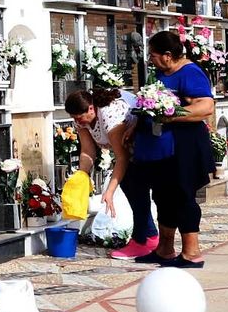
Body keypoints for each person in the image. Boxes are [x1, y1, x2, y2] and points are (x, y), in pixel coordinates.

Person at [144, 31, 216, 268]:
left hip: (186, 146)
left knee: (183, 196)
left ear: (167, 55)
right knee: (164, 196)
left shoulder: (190, 73)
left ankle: (191, 253)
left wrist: (171, 115)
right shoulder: (161, 73)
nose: (150, 59)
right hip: (162, 147)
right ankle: (164, 249)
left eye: (153, 55)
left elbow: (205, 107)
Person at [64, 88, 159, 260]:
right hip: (131, 149)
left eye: (79, 117)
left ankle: (142, 240)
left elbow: (121, 157)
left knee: (136, 189)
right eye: (74, 118)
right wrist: (81, 177)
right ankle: (149, 237)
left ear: (91, 109)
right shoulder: (82, 120)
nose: (77, 121)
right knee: (132, 189)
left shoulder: (109, 114)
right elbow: (87, 151)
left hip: (145, 143)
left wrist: (109, 191)